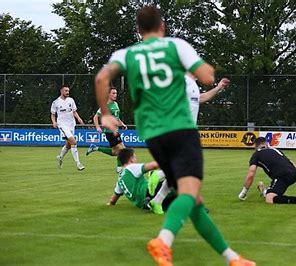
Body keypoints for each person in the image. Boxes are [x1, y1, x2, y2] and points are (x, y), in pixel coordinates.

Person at [94, 5, 255, 266]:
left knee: (193, 199)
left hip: (153, 135)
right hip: (181, 129)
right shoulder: (175, 47)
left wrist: (105, 113)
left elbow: (102, 78)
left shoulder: (126, 54)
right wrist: (204, 70)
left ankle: (232, 258)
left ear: (138, 29)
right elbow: (206, 76)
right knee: (189, 194)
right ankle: (164, 241)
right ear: (163, 26)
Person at [146, 75, 230, 214]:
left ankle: (157, 198)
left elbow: (200, 99)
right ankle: (159, 176)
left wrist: (218, 88)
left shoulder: (192, 85)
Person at [238, 137, 296, 205]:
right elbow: (292, 164)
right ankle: (264, 191)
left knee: (270, 198)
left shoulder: (256, 154)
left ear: (256, 146)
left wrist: (244, 192)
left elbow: (251, 173)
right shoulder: (276, 150)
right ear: (266, 144)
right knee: (273, 192)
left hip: (281, 176)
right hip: (293, 174)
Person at [86, 87, 128, 173]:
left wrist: (122, 124)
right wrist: (97, 127)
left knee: (114, 152)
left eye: (116, 93)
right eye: (113, 93)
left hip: (115, 131)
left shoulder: (115, 104)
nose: (115, 95)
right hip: (110, 132)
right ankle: (119, 169)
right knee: (123, 150)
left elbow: (116, 117)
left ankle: (95, 148)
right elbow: (95, 117)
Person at [51, 86, 85, 171]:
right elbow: (53, 114)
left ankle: (60, 157)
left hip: (71, 124)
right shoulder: (56, 102)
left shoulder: (71, 100)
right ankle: (78, 164)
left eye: (68, 91)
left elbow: (74, 111)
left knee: (69, 144)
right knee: (73, 141)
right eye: (66, 91)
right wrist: (54, 122)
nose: (67, 92)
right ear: (61, 91)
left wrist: (78, 118)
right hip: (62, 125)